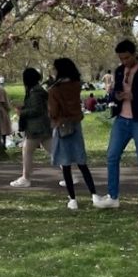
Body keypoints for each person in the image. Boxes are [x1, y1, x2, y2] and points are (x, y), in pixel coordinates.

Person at [94, 40, 138, 217]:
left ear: (134, 54)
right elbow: (117, 90)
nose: (124, 61)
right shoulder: (119, 71)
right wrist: (116, 95)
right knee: (112, 156)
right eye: (120, 58)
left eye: (126, 58)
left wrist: (134, 96)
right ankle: (113, 196)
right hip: (122, 119)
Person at [47, 58, 100, 209]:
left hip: (62, 125)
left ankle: (73, 199)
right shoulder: (76, 85)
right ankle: (94, 195)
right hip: (76, 124)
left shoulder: (55, 90)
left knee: (66, 164)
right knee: (81, 162)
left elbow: (53, 111)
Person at [10, 68, 52, 188]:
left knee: (27, 151)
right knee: (54, 152)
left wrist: (21, 112)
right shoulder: (38, 91)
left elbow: (36, 110)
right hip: (44, 126)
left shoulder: (34, 93)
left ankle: (26, 178)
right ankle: (69, 174)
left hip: (36, 128)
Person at [0, 75, 12, 144]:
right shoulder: (1, 89)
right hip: (1, 108)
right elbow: (6, 101)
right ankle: (4, 143)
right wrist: (8, 108)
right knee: (3, 128)